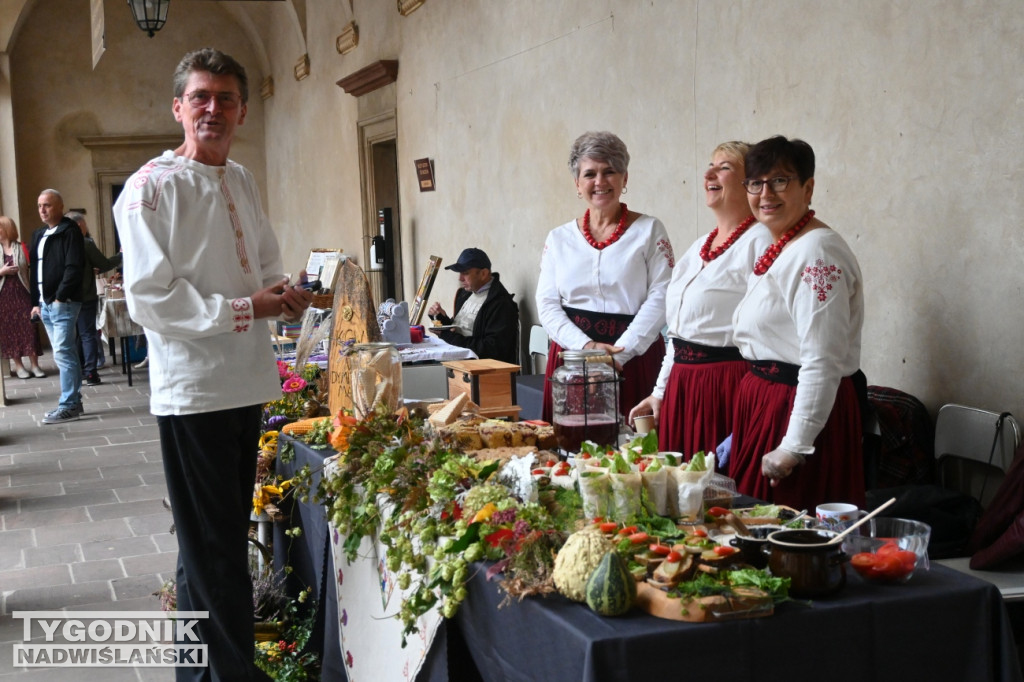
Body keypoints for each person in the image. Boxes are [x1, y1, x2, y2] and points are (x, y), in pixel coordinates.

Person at [113, 47, 312, 681]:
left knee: (207, 545)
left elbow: (265, 264)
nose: (212, 109)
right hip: (193, 390)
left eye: (225, 99)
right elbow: (151, 300)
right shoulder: (149, 189)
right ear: (178, 108)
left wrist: (287, 295)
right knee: (218, 551)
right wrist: (246, 307)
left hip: (245, 381)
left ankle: (198, 674)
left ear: (243, 111)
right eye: (200, 97)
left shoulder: (242, 179)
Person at [728, 136, 866, 511]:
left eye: (780, 181)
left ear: (808, 187)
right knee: (752, 525)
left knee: (788, 532)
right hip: (766, 400)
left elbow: (822, 360)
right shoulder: (782, 243)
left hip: (796, 409)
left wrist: (794, 445)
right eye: (756, 183)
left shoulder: (816, 251)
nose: (765, 193)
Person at [628, 142, 771, 462]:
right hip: (683, 384)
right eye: (710, 165)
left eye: (724, 167)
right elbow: (677, 334)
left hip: (725, 387)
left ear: (751, 182)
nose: (709, 172)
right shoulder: (698, 248)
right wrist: (660, 392)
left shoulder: (761, 242)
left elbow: (770, 333)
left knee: (714, 492)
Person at [536, 131, 674, 422]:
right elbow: (546, 303)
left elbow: (662, 296)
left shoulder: (650, 230)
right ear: (577, 183)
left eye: (609, 171)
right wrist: (586, 350)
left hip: (633, 355)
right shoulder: (559, 238)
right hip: (572, 358)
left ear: (625, 178)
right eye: (590, 174)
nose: (600, 182)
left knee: (635, 456)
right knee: (569, 449)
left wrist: (617, 356)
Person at [30, 190, 84, 424]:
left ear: (60, 207)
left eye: (48, 205)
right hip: (45, 304)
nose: (42, 210)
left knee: (63, 352)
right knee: (64, 353)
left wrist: (60, 296)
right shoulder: (39, 234)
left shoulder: (69, 231)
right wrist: (35, 302)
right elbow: (35, 272)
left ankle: (69, 404)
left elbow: (74, 267)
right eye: (40, 205)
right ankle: (73, 402)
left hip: (63, 303)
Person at [427, 247, 519, 364]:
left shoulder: (500, 304)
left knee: (420, 369)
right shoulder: (465, 294)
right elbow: (460, 329)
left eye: (465, 273)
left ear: (483, 274)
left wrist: (449, 336)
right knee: (415, 364)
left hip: (478, 368)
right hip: (458, 357)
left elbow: (492, 349)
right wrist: (440, 319)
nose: (460, 278)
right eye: (460, 273)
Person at [67, 211, 122, 386]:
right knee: (88, 334)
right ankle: (91, 372)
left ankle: (79, 370)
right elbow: (104, 264)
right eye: (84, 226)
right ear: (78, 226)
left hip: (66, 297)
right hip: (85, 295)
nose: (86, 229)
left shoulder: (60, 244)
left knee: (75, 336)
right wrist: (121, 255)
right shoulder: (85, 244)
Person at [0, 216, 45, 378]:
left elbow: (33, 269)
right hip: (4, 297)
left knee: (30, 328)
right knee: (10, 331)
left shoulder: (22, 247)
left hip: (23, 292)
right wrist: (2, 272)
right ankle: (19, 366)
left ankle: (35, 365)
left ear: (8, 229)